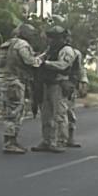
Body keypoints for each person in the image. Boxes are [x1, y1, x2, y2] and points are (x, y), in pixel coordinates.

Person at [0, 23, 43, 154]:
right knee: (14, 112)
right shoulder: (22, 45)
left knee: (8, 111)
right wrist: (41, 59)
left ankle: (11, 141)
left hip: (3, 80)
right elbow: (30, 62)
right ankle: (10, 142)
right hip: (14, 82)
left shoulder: (7, 44)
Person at [32, 25, 76, 153]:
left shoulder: (66, 50)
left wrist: (46, 64)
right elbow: (41, 58)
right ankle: (47, 140)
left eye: (53, 37)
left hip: (58, 84)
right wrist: (36, 60)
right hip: (47, 84)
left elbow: (63, 65)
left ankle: (60, 141)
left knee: (60, 114)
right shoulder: (50, 49)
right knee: (46, 115)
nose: (50, 40)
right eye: (49, 37)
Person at [59, 46, 88, 148]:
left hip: (69, 86)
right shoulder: (51, 51)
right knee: (56, 114)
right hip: (54, 86)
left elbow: (80, 69)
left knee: (69, 112)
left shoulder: (74, 53)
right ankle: (57, 139)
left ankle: (69, 138)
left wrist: (83, 83)